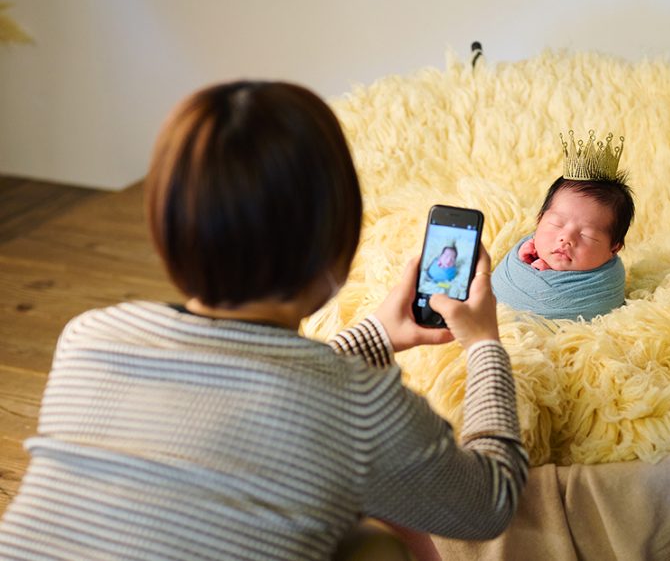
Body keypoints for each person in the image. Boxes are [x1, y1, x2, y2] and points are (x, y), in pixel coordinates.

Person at [0, 81, 528, 561]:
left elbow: (243, 399)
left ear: (164, 223)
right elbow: (489, 503)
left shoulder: (89, 336)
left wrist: (377, 335)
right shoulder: (361, 405)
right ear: (339, 241)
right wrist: (484, 344)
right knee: (378, 543)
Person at [492, 131, 635, 321]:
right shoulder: (523, 252)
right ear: (539, 220)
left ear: (614, 248)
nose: (566, 238)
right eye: (556, 223)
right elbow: (495, 288)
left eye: (587, 235)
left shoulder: (605, 285)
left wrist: (546, 277)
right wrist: (531, 266)